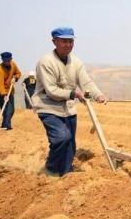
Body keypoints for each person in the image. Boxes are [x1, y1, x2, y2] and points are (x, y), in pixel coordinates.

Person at [32, 27, 107, 177]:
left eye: (71, 41)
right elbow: (51, 90)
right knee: (61, 138)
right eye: (64, 41)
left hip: (68, 108)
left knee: (70, 144)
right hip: (48, 106)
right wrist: (74, 93)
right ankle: (51, 169)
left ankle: (66, 173)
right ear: (54, 42)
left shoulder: (76, 62)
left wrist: (97, 95)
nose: (68, 45)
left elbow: (86, 82)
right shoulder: (46, 62)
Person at [0, 52, 21, 130]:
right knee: (7, 109)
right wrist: (4, 95)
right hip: (0, 92)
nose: (7, 62)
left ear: (11, 59)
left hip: (10, 91)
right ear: (3, 60)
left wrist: (15, 78)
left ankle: (5, 124)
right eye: (5, 61)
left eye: (8, 60)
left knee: (12, 109)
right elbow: (0, 84)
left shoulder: (13, 64)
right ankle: (7, 125)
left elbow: (18, 73)